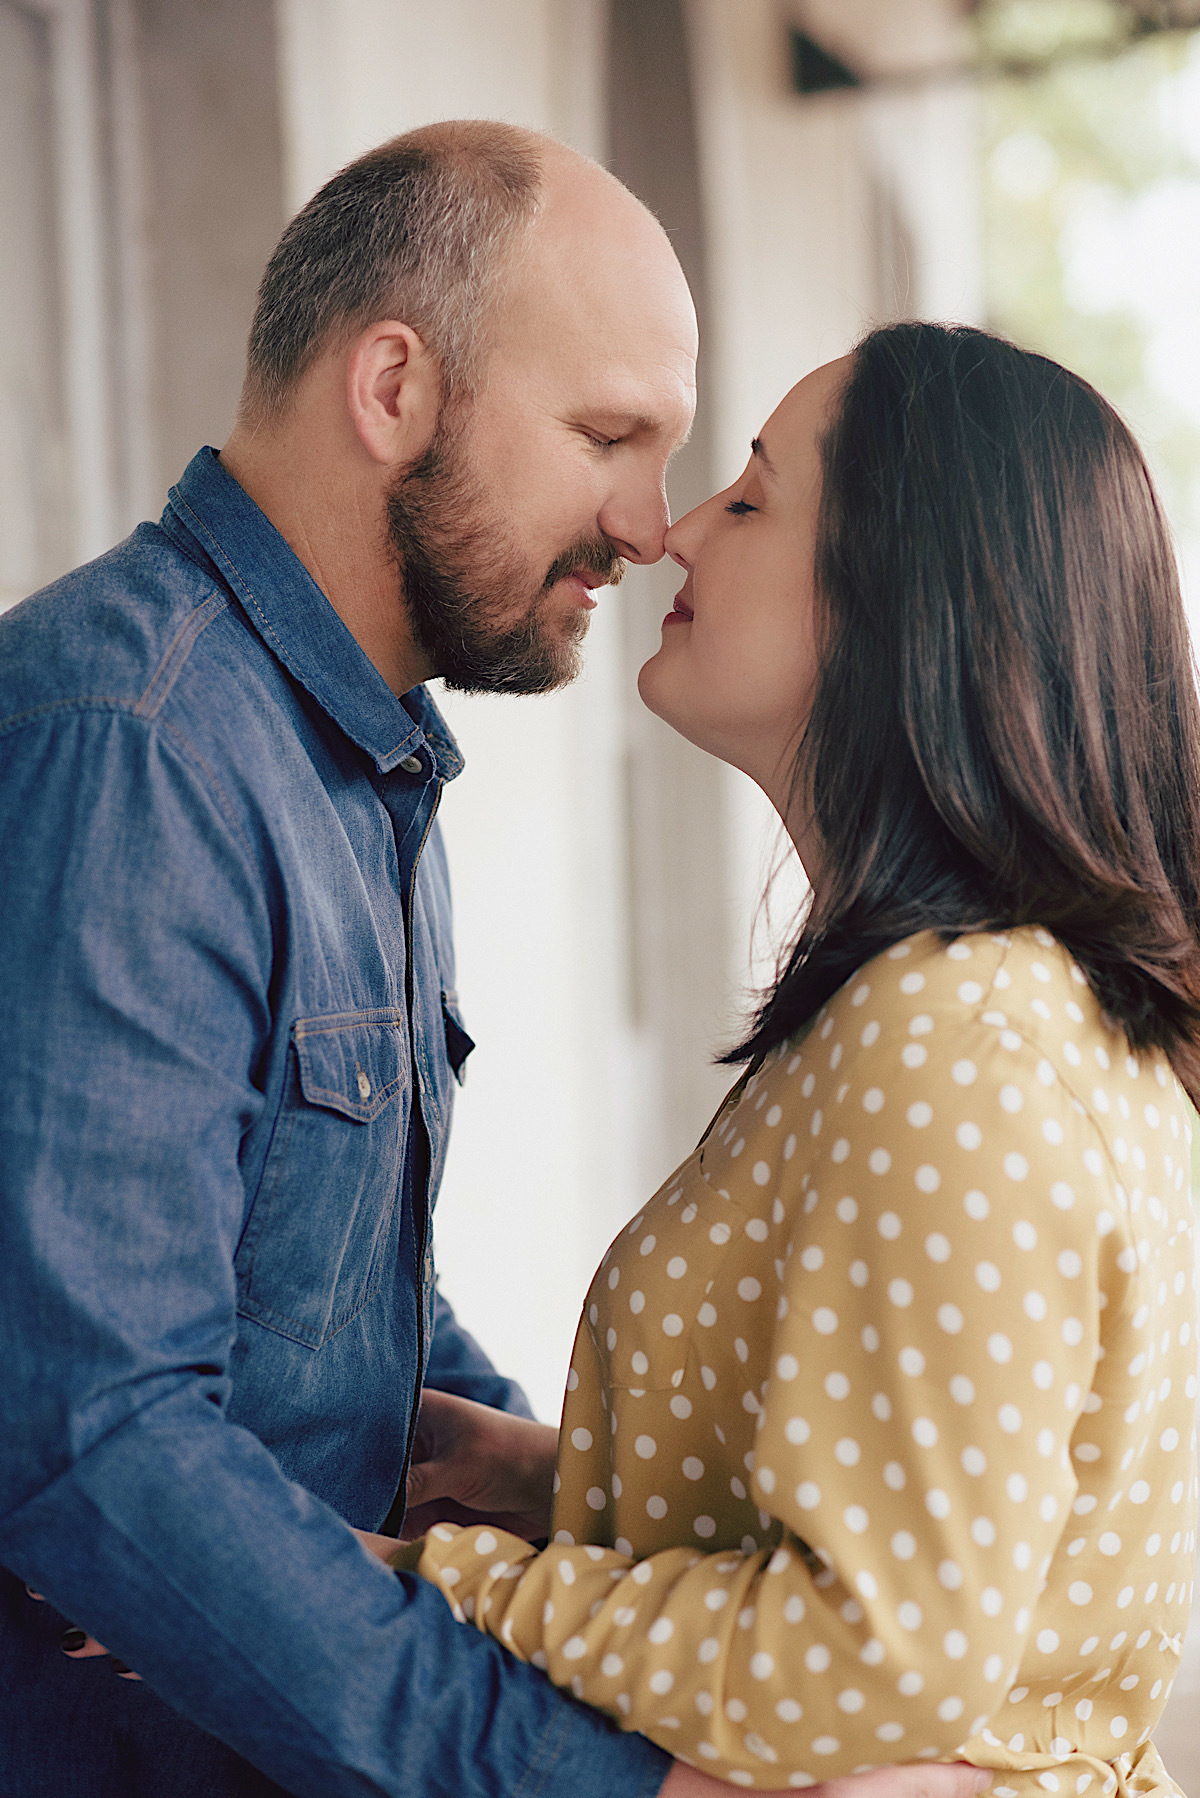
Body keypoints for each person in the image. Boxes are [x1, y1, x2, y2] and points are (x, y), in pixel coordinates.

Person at [0, 120, 990, 1798]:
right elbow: (92, 1438)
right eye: (609, 436)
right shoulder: (134, 748)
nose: (651, 525)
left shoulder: (359, 761)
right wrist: (606, 1782)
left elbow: (318, 1296)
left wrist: (553, 1511)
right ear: (394, 389)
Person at [369, 323, 1200, 1797]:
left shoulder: (959, 1045)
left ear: (910, 599)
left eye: (751, 497)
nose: (676, 531)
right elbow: (933, 1529)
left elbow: (875, 1650)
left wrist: (435, 1583)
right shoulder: (999, 1012)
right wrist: (544, 1481)